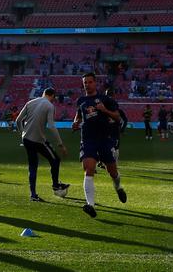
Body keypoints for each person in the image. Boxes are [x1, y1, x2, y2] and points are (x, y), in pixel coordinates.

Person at [72, 72, 127, 218]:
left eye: (90, 82)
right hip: (88, 140)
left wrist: (104, 110)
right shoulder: (81, 100)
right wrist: (75, 121)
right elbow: (79, 114)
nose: (87, 85)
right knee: (88, 169)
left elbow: (117, 117)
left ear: (95, 83)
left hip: (104, 139)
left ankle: (118, 187)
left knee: (113, 172)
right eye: (85, 82)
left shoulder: (105, 99)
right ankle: (90, 205)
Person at [14, 87, 69, 202]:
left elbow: (18, 121)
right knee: (55, 160)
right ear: (52, 96)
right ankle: (55, 185)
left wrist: (22, 134)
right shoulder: (49, 106)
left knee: (33, 166)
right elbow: (52, 126)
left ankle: (33, 195)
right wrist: (60, 144)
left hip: (27, 139)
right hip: (38, 140)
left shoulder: (30, 102)